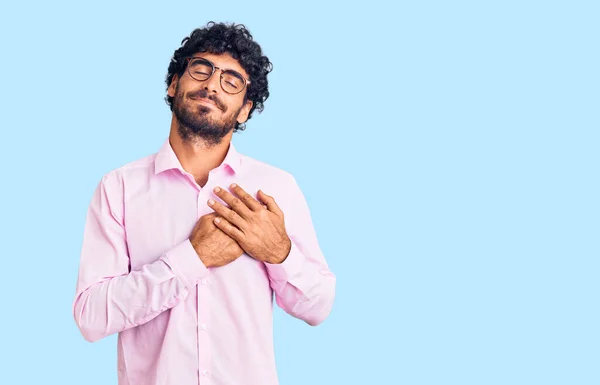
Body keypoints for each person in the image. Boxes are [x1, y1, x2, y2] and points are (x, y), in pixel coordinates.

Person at [72, 21, 336, 385]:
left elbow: (319, 306)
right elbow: (90, 317)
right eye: (201, 69)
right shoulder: (118, 188)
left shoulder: (277, 188)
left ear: (244, 109)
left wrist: (280, 252)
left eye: (231, 80)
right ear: (173, 83)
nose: (211, 84)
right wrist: (191, 259)